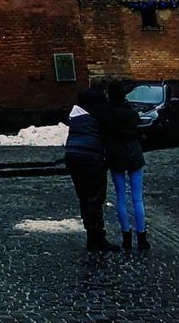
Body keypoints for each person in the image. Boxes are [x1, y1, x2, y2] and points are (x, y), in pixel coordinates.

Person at [64, 84, 118, 252]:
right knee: (95, 198)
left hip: (72, 154)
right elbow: (111, 133)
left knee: (84, 197)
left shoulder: (77, 115)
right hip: (91, 156)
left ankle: (91, 235)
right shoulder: (101, 112)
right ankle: (97, 238)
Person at [105, 80, 149, 252]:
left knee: (121, 198)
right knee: (137, 199)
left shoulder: (108, 113)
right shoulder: (130, 112)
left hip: (116, 156)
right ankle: (142, 237)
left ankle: (126, 238)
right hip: (134, 155)